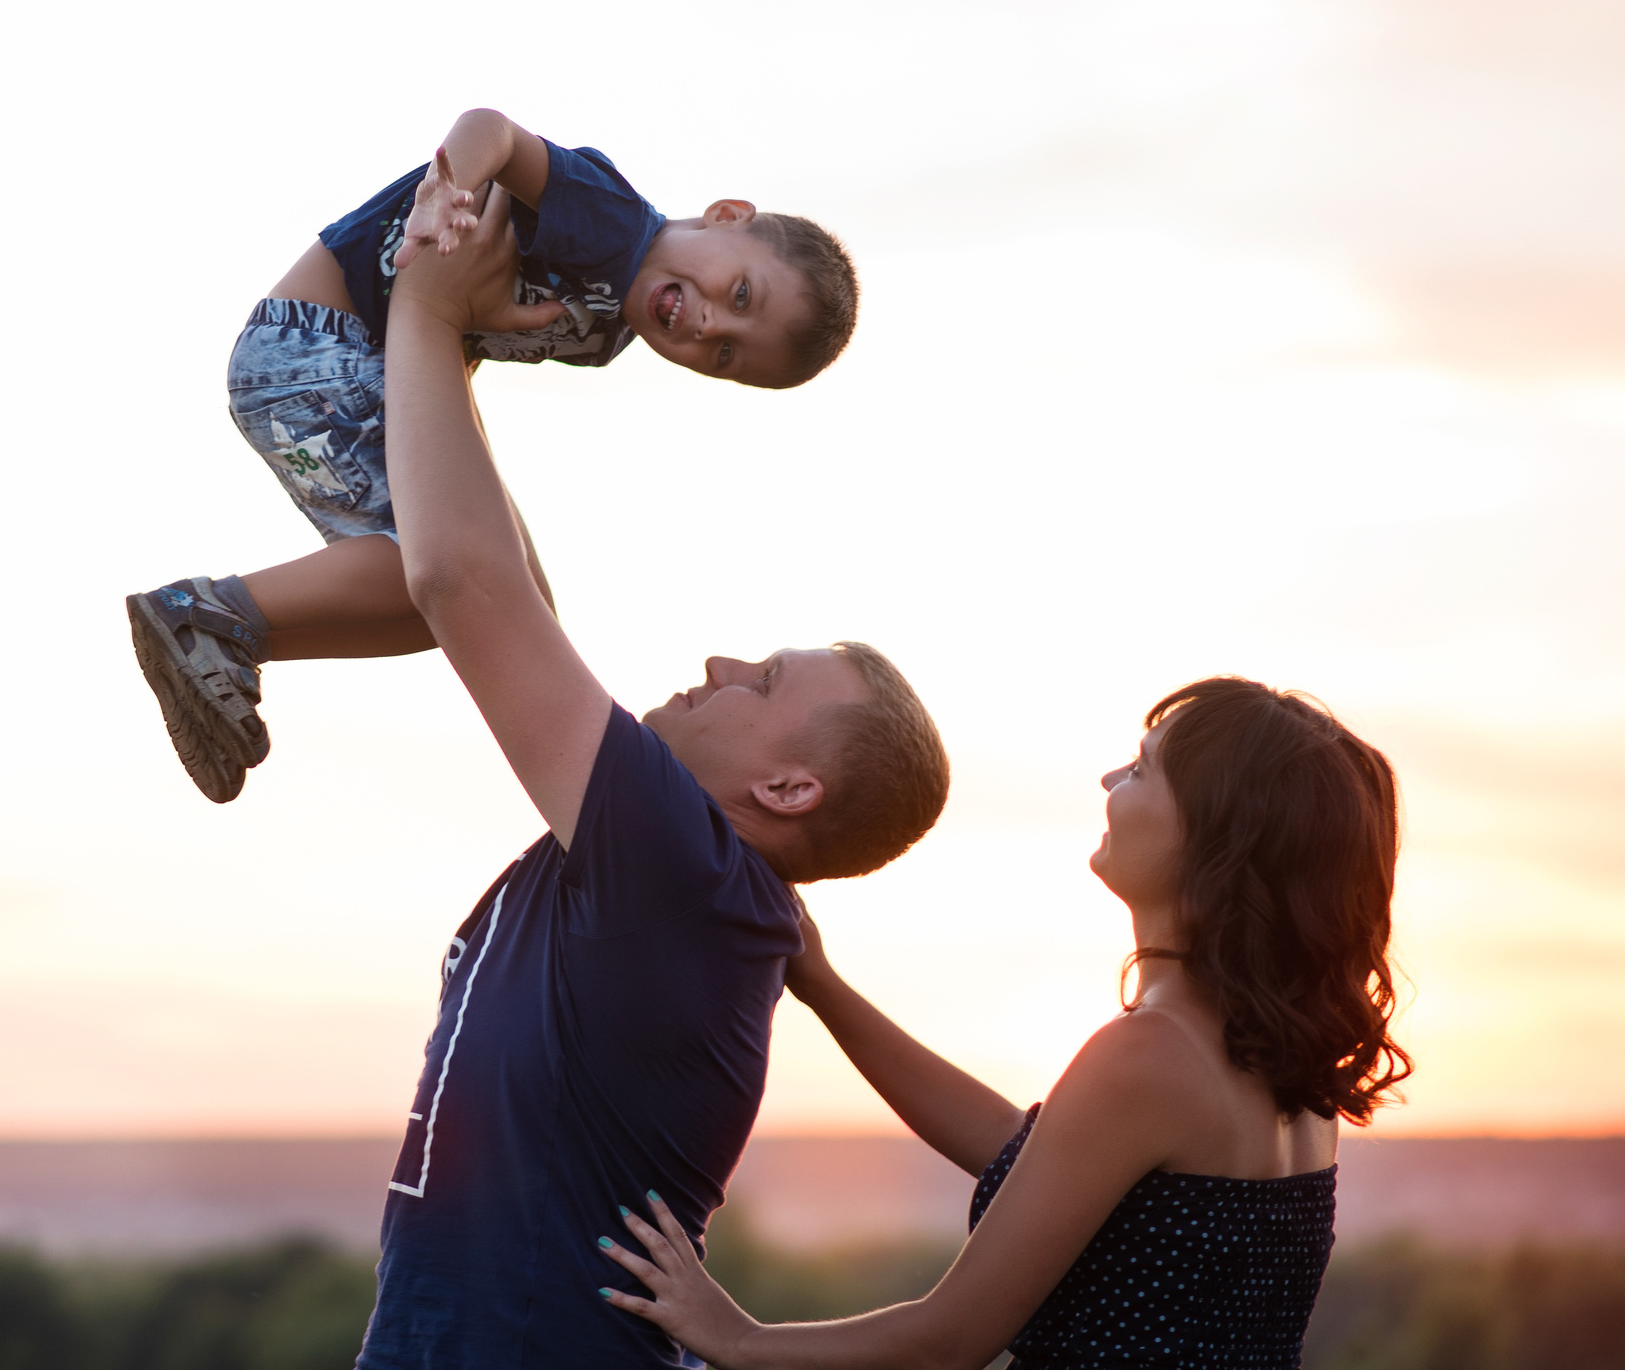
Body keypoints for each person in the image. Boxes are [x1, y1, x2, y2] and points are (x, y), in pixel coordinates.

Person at [346, 201, 948, 1368]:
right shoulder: (680, 877)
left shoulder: (679, 867)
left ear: (785, 786)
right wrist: (460, 356)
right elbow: (515, 588)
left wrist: (423, 304)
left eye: (764, 679)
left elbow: (468, 584)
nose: (723, 663)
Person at [593, 678, 1410, 1370]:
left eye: (1144, 768)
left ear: (1218, 832)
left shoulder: (1151, 1055)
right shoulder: (1290, 1077)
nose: (1109, 778)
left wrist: (737, 1337)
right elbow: (1031, 1157)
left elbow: (950, 1337)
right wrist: (824, 986)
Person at [125, 106, 859, 800]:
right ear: (726, 216)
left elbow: (461, 345)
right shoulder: (611, 221)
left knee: (501, 611)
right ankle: (206, 613)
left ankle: (224, 638)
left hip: (344, 370)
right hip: (318, 347)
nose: (705, 323)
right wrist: (451, 190)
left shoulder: (608, 331)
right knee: (468, 574)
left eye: (725, 352)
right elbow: (493, 130)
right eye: (738, 291)